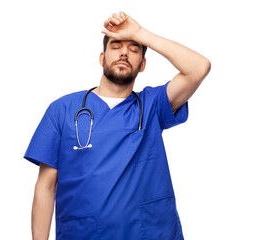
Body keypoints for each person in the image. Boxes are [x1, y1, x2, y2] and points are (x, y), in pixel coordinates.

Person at [24, 11, 211, 240]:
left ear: (142, 65)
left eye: (134, 49)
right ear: (101, 58)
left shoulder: (151, 105)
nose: (124, 52)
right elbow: (45, 187)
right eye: (116, 46)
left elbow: (199, 67)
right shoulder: (62, 110)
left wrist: (141, 34)